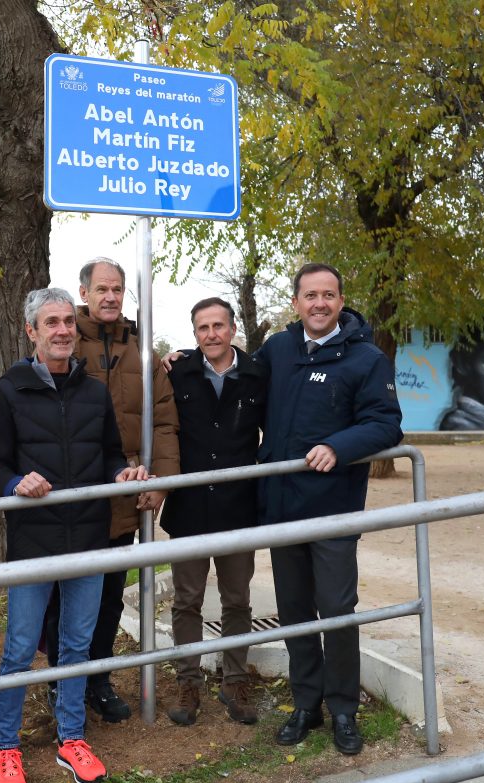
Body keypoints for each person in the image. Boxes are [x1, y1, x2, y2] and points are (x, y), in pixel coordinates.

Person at [0, 288, 149, 783]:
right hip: (34, 541)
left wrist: (122, 472)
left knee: (76, 646)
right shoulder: (9, 390)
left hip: (88, 539)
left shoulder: (93, 392)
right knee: (18, 651)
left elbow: (107, 456)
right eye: (50, 323)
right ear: (31, 331)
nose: (61, 331)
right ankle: (5, 745)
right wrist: (15, 485)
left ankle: (71, 737)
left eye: (66, 323)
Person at [255, 263, 403, 756]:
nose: (319, 303)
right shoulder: (277, 349)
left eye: (329, 295)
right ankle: (306, 704)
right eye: (310, 295)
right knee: (295, 610)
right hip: (281, 507)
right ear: (296, 301)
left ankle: (343, 709)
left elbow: (386, 423)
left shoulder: (366, 359)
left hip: (333, 509)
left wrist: (339, 445)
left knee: (336, 610)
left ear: (341, 301)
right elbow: (239, 386)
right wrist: (185, 362)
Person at [44, 257, 180, 723]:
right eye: (101, 288)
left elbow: (163, 420)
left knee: (108, 595)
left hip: (127, 492)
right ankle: (62, 681)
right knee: (65, 595)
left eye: (117, 289)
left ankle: (98, 681)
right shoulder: (63, 341)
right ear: (84, 293)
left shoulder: (143, 349)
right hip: (75, 495)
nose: (109, 297)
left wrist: (159, 481)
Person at [159, 297, 268, 726]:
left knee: (237, 599)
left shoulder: (258, 374)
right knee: (186, 599)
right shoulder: (177, 372)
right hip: (189, 507)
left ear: (233, 327)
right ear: (194, 333)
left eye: (218, 325)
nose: (212, 335)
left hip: (238, 504)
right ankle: (188, 681)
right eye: (203, 328)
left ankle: (235, 679)